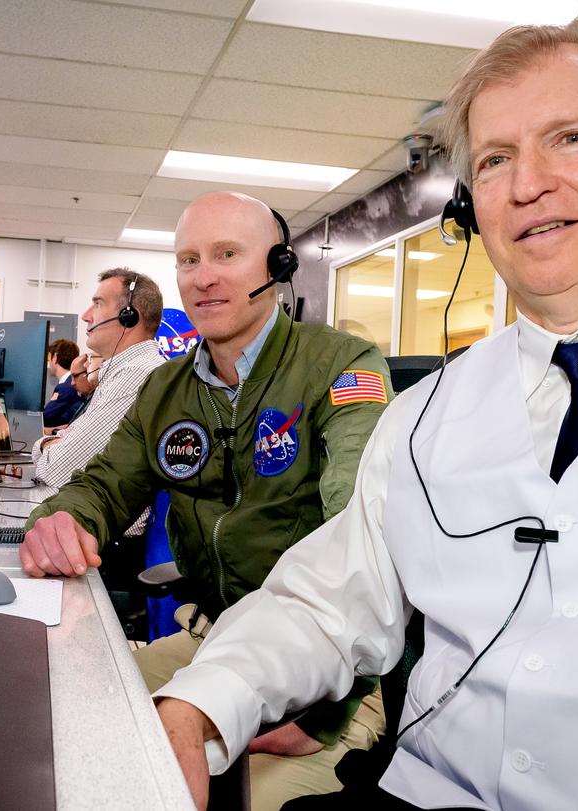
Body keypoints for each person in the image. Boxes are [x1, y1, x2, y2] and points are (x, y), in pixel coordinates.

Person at [153, 18, 578, 811]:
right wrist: (199, 704)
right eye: (496, 160)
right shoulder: (425, 416)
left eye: (569, 138)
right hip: (428, 793)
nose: (529, 184)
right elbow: (324, 604)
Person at [22, 191, 394, 810]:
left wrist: (331, 713)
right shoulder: (166, 387)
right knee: (57, 725)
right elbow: (105, 483)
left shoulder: (339, 364)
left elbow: (362, 533)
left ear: (276, 266)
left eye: (227, 254)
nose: (204, 276)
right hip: (205, 640)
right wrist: (60, 519)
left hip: (327, 677)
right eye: (189, 259)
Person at [31, 268, 165, 489]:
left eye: (98, 304)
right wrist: (55, 443)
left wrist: (44, 446)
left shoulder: (136, 375)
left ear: (128, 317)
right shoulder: (120, 372)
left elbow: (58, 471)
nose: (86, 315)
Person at [43, 338, 83, 429]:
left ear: (55, 358)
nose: (48, 362)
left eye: (49, 358)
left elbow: (46, 416)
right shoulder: (70, 382)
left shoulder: (66, 386)